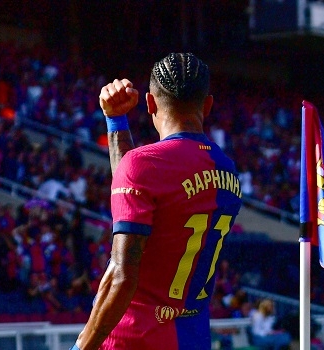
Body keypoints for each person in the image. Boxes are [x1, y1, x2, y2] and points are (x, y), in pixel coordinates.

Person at [72, 53, 243, 350]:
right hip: (193, 338)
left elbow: (123, 275)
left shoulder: (145, 166)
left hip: (133, 339)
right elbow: (131, 187)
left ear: (150, 103)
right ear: (208, 105)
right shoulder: (227, 169)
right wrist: (116, 123)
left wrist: (82, 346)